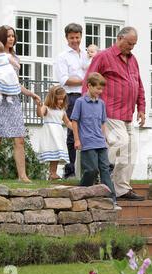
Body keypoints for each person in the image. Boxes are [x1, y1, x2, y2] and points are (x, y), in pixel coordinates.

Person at [82, 26, 146, 201]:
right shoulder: (104, 56)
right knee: (121, 142)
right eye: (129, 43)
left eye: (134, 44)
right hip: (109, 110)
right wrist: (85, 107)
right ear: (119, 38)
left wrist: (141, 108)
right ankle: (102, 171)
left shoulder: (133, 60)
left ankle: (121, 188)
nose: (131, 47)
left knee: (132, 148)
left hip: (127, 113)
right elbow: (89, 80)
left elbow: (138, 84)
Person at [0, 25, 41, 184]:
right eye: (8, 36)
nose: (11, 39)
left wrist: (31, 94)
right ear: (1, 38)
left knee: (20, 139)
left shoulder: (15, 58)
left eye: (13, 36)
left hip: (13, 101)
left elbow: (16, 84)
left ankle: (23, 176)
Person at [71, 72, 120, 210]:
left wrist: (105, 138)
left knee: (105, 170)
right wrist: (76, 140)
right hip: (86, 142)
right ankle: (80, 192)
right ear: (89, 86)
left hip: (100, 142)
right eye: (98, 88)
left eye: (102, 89)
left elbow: (103, 122)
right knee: (91, 170)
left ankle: (112, 200)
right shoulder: (80, 102)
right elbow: (74, 121)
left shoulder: (101, 104)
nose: (100, 91)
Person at [54, 23, 90, 179]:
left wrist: (84, 81)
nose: (75, 40)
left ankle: (88, 171)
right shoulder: (63, 57)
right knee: (71, 133)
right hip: (72, 97)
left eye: (77, 37)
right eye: (71, 38)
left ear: (81, 36)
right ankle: (70, 171)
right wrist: (86, 81)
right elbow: (65, 80)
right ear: (66, 38)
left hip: (87, 97)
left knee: (89, 132)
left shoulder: (87, 55)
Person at [36, 85, 73, 180]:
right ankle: (52, 173)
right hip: (49, 132)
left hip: (58, 133)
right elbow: (40, 114)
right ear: (52, 97)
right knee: (52, 150)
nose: (61, 101)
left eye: (62, 99)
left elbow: (67, 122)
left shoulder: (62, 110)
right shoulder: (46, 107)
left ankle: (53, 173)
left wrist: (75, 128)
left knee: (57, 152)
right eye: (59, 99)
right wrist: (38, 106)